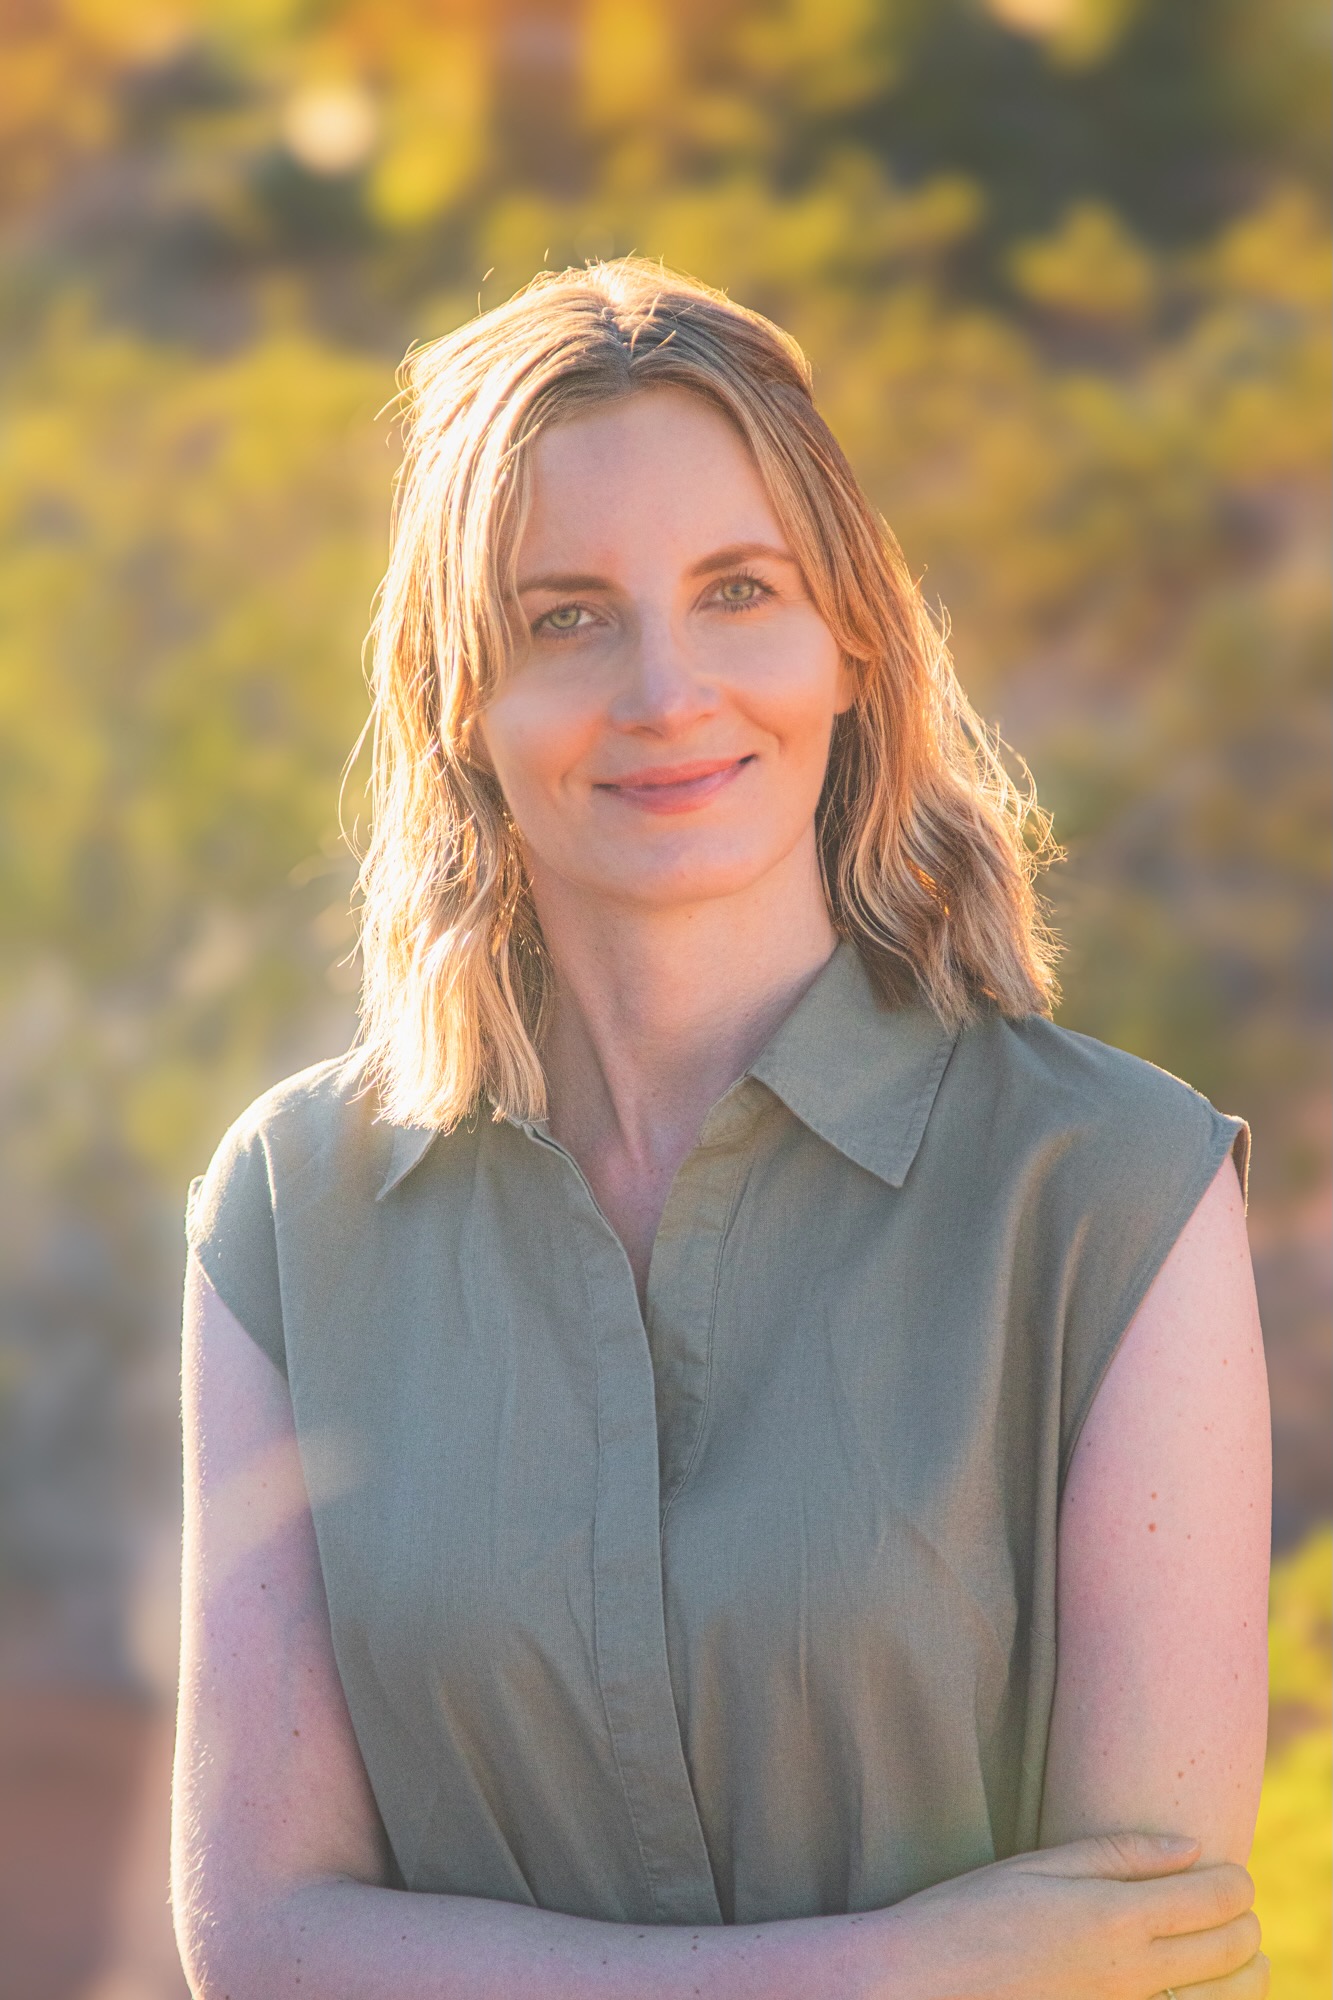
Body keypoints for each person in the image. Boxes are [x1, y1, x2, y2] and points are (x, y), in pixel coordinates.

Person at [171, 259, 1271, 1999]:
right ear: (462, 700)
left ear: (849, 644)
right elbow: (264, 1942)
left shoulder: (1114, 1196)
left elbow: (1138, 1948)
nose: (667, 690)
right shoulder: (288, 1219)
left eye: (737, 590)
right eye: (566, 617)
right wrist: (894, 1974)